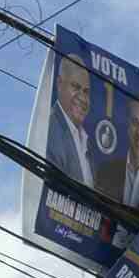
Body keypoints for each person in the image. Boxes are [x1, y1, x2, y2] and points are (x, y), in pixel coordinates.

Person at [44, 56, 100, 188]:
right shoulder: (51, 129)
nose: (82, 98)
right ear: (59, 83)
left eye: (86, 92)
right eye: (75, 87)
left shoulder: (87, 142)